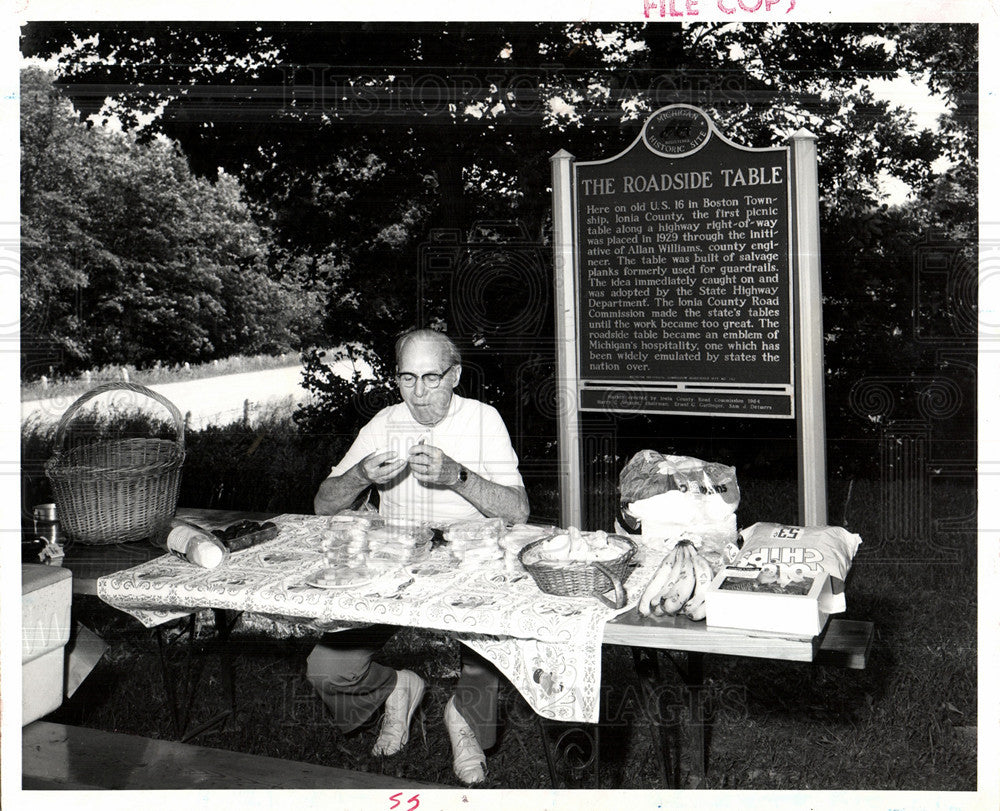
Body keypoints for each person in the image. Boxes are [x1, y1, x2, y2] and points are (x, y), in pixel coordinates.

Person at [310, 328, 529, 784]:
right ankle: (398, 689)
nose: (419, 392)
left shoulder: (483, 419)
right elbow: (323, 504)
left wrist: (458, 477)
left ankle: (464, 719)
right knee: (328, 670)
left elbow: (519, 510)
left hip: (470, 557)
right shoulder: (384, 423)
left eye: (431, 377)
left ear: (455, 376)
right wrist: (358, 477)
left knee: (488, 649)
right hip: (395, 557)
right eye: (408, 378)